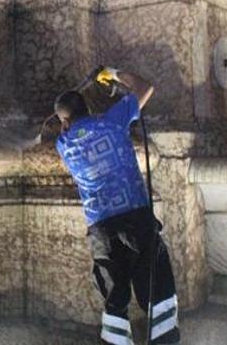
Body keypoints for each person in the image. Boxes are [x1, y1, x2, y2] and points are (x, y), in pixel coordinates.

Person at [53, 67, 180, 345]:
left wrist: (67, 120)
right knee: (157, 294)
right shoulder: (112, 122)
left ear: (65, 122)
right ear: (87, 107)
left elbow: (69, 122)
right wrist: (114, 73)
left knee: (115, 303)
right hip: (137, 219)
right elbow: (145, 88)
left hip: (102, 230)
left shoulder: (63, 143)